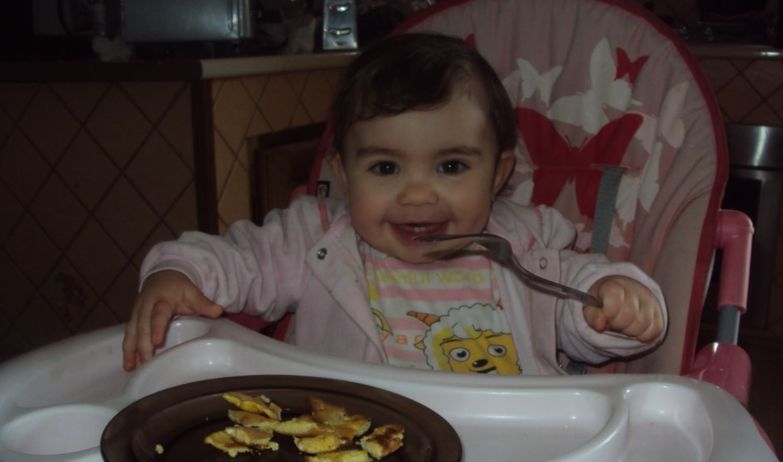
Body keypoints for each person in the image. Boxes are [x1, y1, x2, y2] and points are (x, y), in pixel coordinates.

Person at [122, 32, 666, 375]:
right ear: (343, 172)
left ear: (499, 173)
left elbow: (576, 310)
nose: (418, 195)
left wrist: (613, 302)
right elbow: (240, 260)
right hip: (351, 449)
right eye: (385, 168)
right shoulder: (316, 238)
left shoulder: (523, 246)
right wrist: (176, 274)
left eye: (451, 167)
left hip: (506, 450)